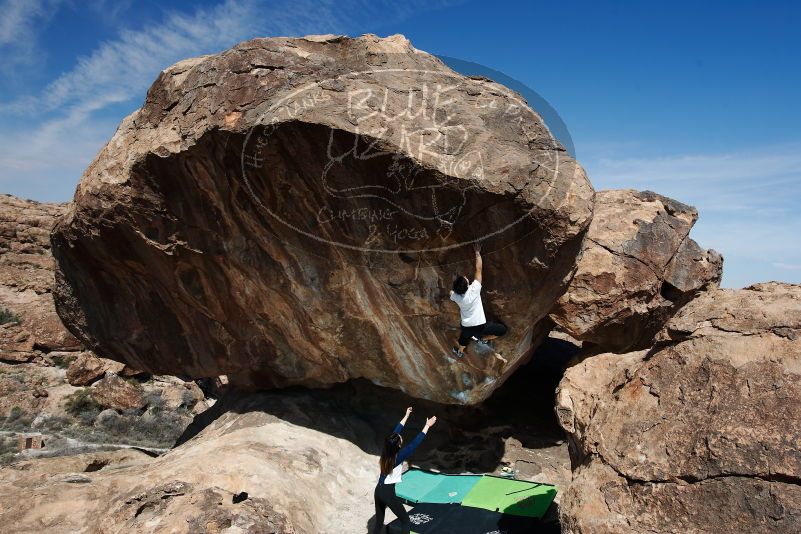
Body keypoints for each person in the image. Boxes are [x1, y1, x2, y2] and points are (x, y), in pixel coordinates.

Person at [372, 407, 436, 534]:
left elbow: (395, 432)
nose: (401, 437)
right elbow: (414, 443)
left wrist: (406, 416)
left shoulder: (386, 451)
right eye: (400, 439)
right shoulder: (398, 456)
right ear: (398, 446)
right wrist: (427, 426)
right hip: (387, 494)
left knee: (379, 523)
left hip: (378, 490)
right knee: (406, 521)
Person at [449, 243, 508, 363]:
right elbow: (478, 269)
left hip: (466, 327)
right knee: (502, 330)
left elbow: (451, 292)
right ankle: (483, 339)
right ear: (467, 284)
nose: (466, 277)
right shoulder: (474, 289)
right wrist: (477, 253)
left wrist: (455, 283)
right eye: (465, 279)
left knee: (464, 338)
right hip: (481, 327)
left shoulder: (456, 297)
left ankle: (460, 352)